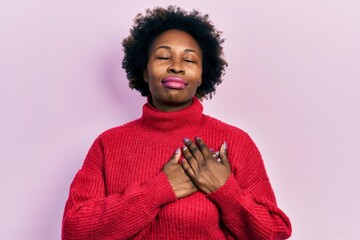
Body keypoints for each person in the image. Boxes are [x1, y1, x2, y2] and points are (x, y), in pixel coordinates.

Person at [62, 6, 292, 240]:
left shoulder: (235, 142)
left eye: (190, 59)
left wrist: (224, 189)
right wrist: (159, 190)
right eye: (163, 57)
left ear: (202, 75)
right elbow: (74, 231)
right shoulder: (108, 144)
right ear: (144, 70)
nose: (176, 66)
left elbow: (273, 232)